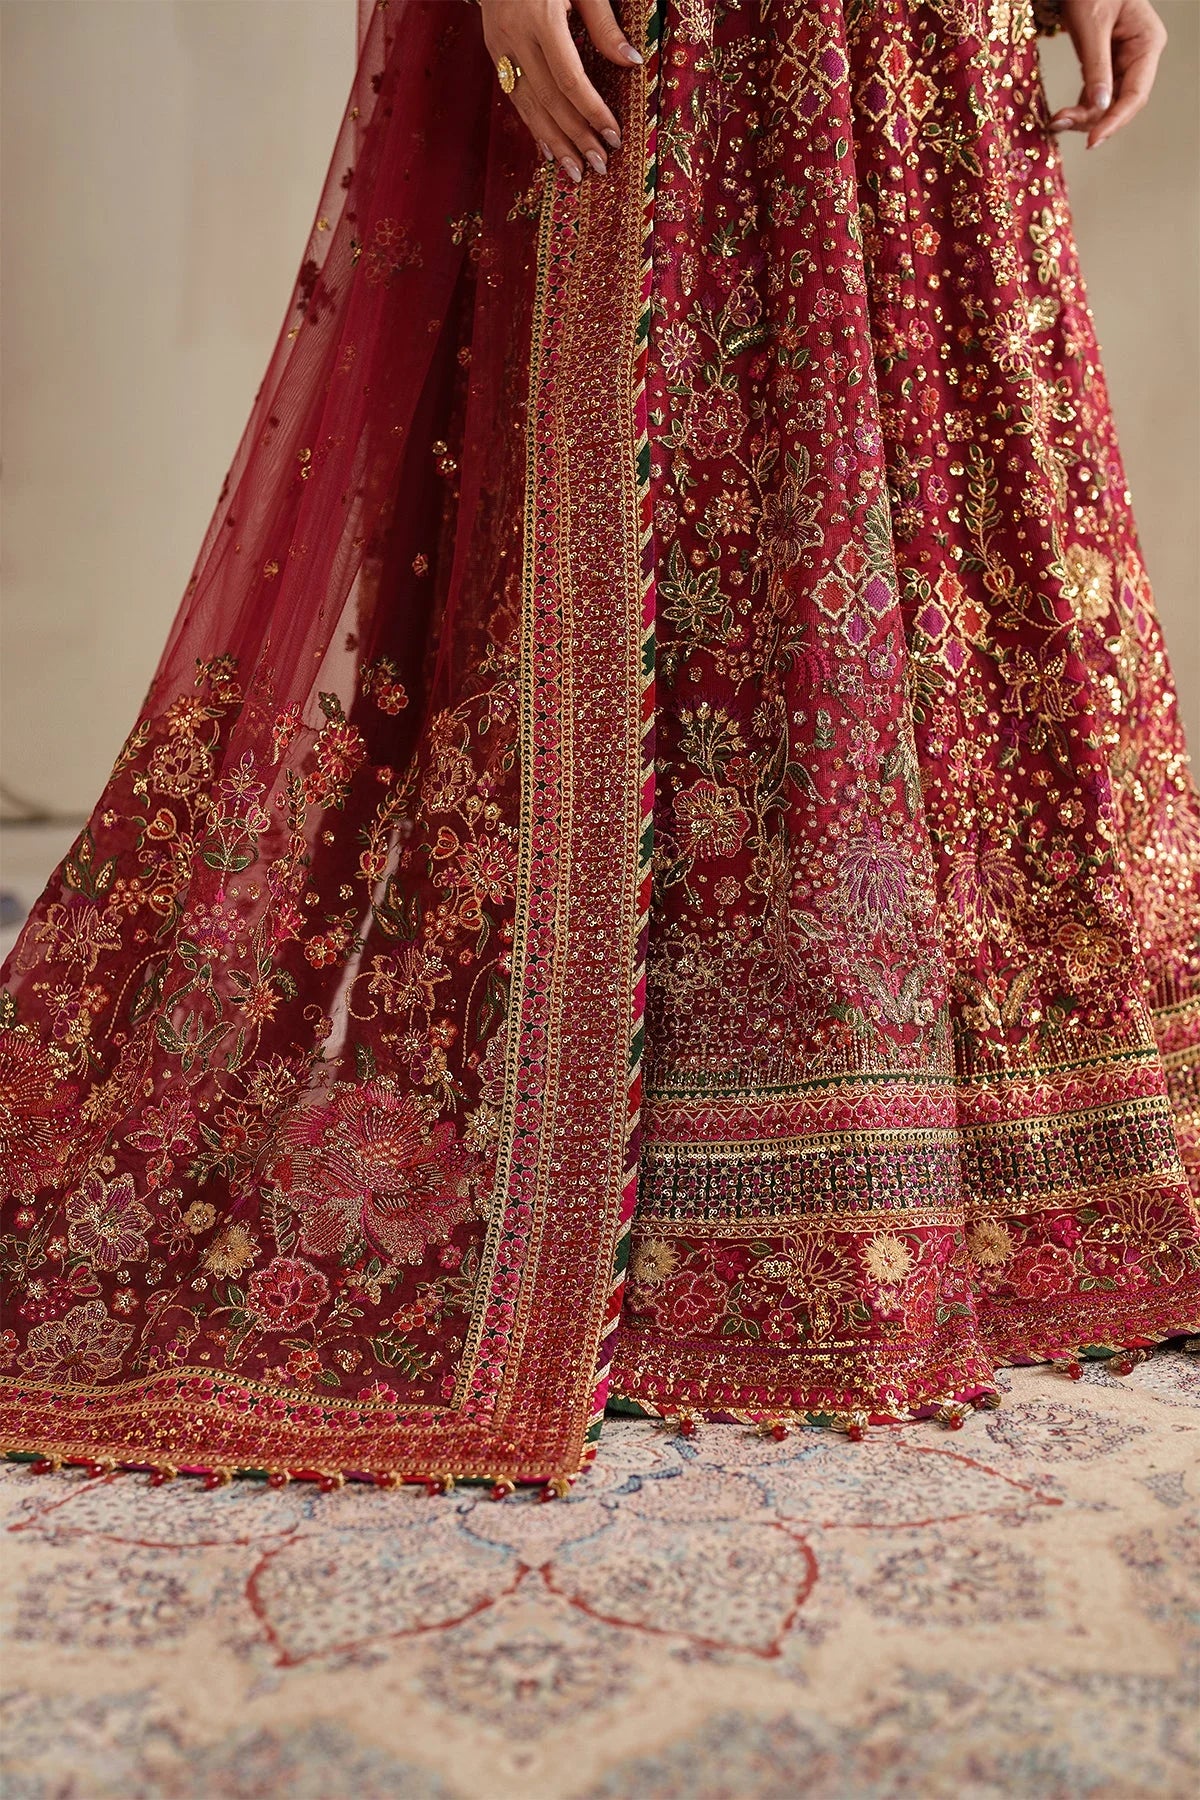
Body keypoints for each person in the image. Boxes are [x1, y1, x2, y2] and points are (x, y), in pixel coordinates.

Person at [1, 0, 1196, 1497]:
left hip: (932, 41)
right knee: (687, 487)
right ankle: (640, 1174)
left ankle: (979, 1159)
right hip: (674, 36)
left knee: (965, 498)